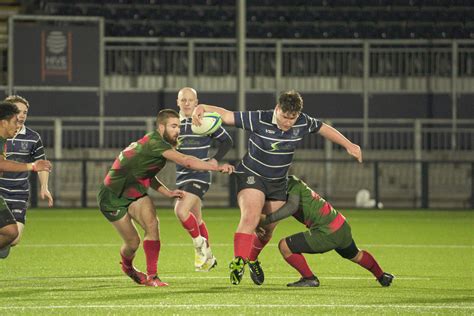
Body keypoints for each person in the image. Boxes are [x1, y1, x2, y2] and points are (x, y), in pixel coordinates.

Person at [192, 90, 362, 285]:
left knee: (266, 230)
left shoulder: (303, 122)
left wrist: (349, 145)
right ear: (277, 109)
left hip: (278, 182)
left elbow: (323, 128)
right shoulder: (260, 118)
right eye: (284, 116)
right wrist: (202, 107)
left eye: (292, 118)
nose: (288, 122)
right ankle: (239, 261)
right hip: (251, 175)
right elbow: (228, 115)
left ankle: (252, 259)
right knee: (251, 217)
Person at [97, 109, 234, 287]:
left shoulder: (156, 142)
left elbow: (146, 173)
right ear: (161, 127)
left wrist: (167, 192)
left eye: (178, 126)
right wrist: (216, 167)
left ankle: (152, 276)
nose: (178, 130)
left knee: (152, 225)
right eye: (173, 126)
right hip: (112, 196)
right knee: (133, 243)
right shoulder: (156, 143)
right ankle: (128, 267)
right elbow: (186, 161)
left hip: (135, 191)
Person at [259, 175, 394, 287]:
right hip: (341, 225)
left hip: (327, 231)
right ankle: (382, 276)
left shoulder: (291, 185)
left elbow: (291, 207)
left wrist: (265, 220)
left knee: (285, 246)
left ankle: (309, 278)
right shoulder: (292, 181)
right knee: (356, 255)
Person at [174, 87, 233, 272]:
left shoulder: (205, 121)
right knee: (197, 219)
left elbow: (228, 141)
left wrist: (215, 160)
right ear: (178, 102)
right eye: (183, 100)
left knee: (181, 210)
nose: (187, 103)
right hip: (182, 175)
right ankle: (210, 257)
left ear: (196, 102)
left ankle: (200, 248)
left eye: (190, 100)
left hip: (200, 174)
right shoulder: (174, 124)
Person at [0, 95, 53, 259]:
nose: (21, 116)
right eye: (17, 113)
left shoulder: (31, 137)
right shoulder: (4, 136)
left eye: (25, 112)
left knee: (13, 236)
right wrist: (31, 166)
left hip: (18, 193)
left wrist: (44, 186)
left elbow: (41, 163)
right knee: (9, 232)